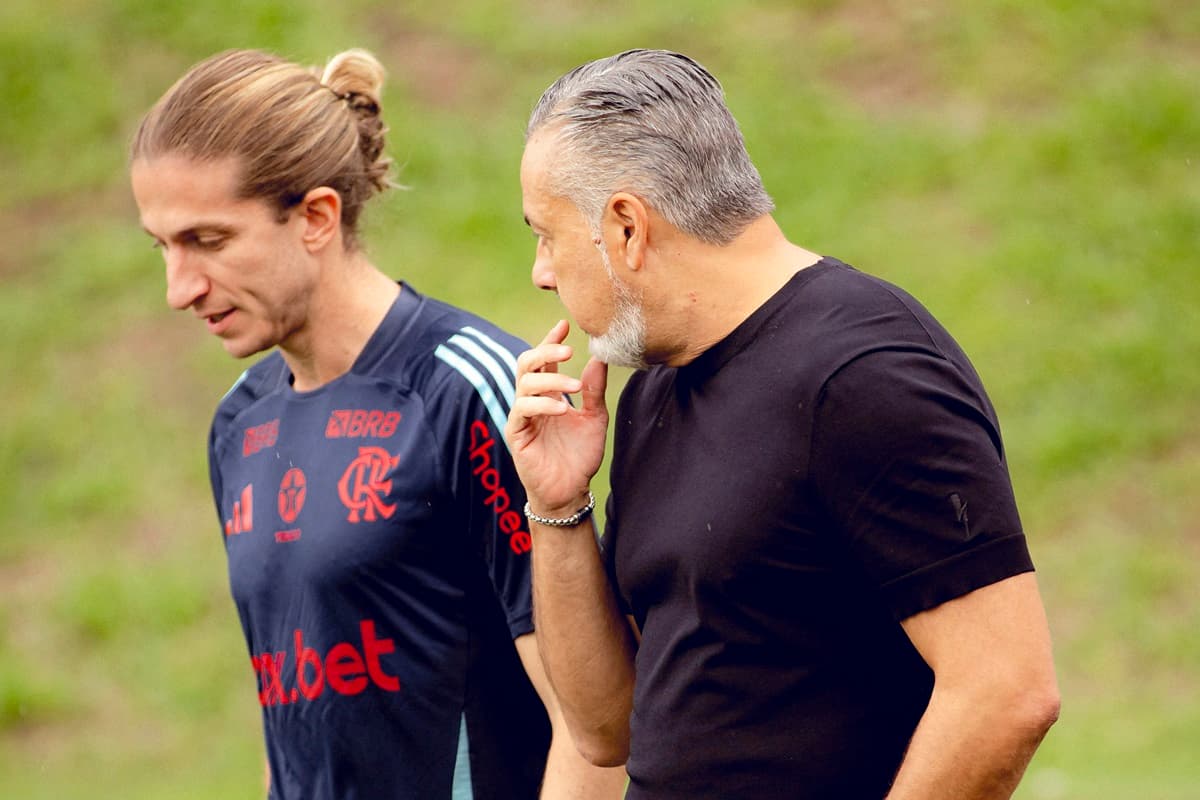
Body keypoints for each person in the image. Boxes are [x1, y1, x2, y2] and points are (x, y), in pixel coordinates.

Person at [506, 49, 1061, 799]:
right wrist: (558, 505)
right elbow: (608, 729)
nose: (542, 270)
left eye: (546, 233)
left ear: (627, 227)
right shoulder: (655, 389)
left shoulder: (865, 372)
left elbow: (1006, 693)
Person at [129, 47, 625, 800]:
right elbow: (294, 719)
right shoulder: (240, 421)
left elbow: (593, 736)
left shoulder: (467, 391)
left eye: (209, 240)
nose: (179, 288)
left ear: (318, 217)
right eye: (162, 246)